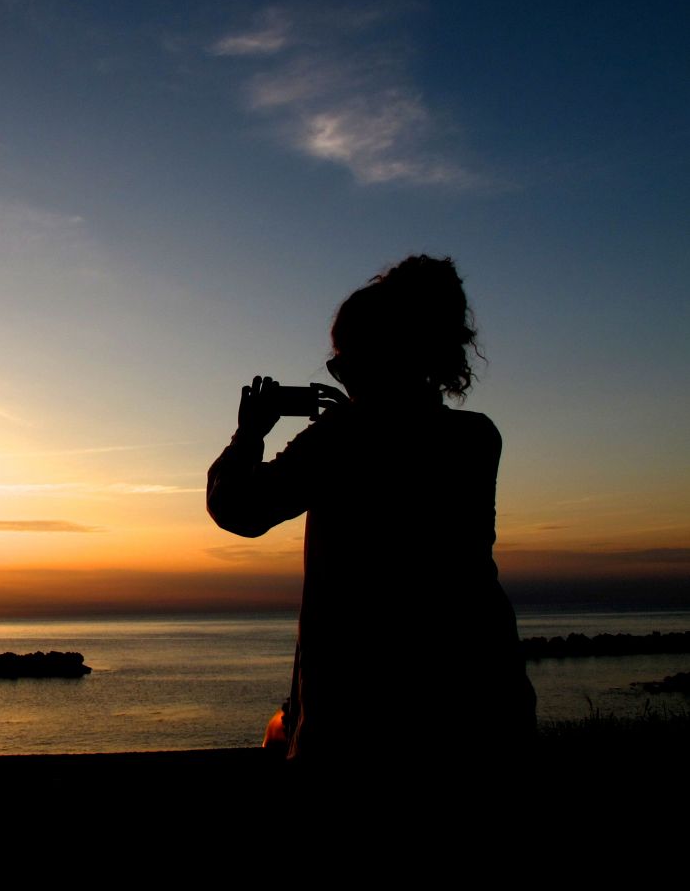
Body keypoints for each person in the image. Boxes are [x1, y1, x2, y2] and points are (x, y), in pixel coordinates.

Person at [207, 255, 535, 769]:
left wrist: (249, 433)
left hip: (362, 722)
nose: (339, 373)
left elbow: (239, 510)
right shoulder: (477, 437)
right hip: (484, 695)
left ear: (378, 356)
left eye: (342, 361)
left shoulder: (343, 438)